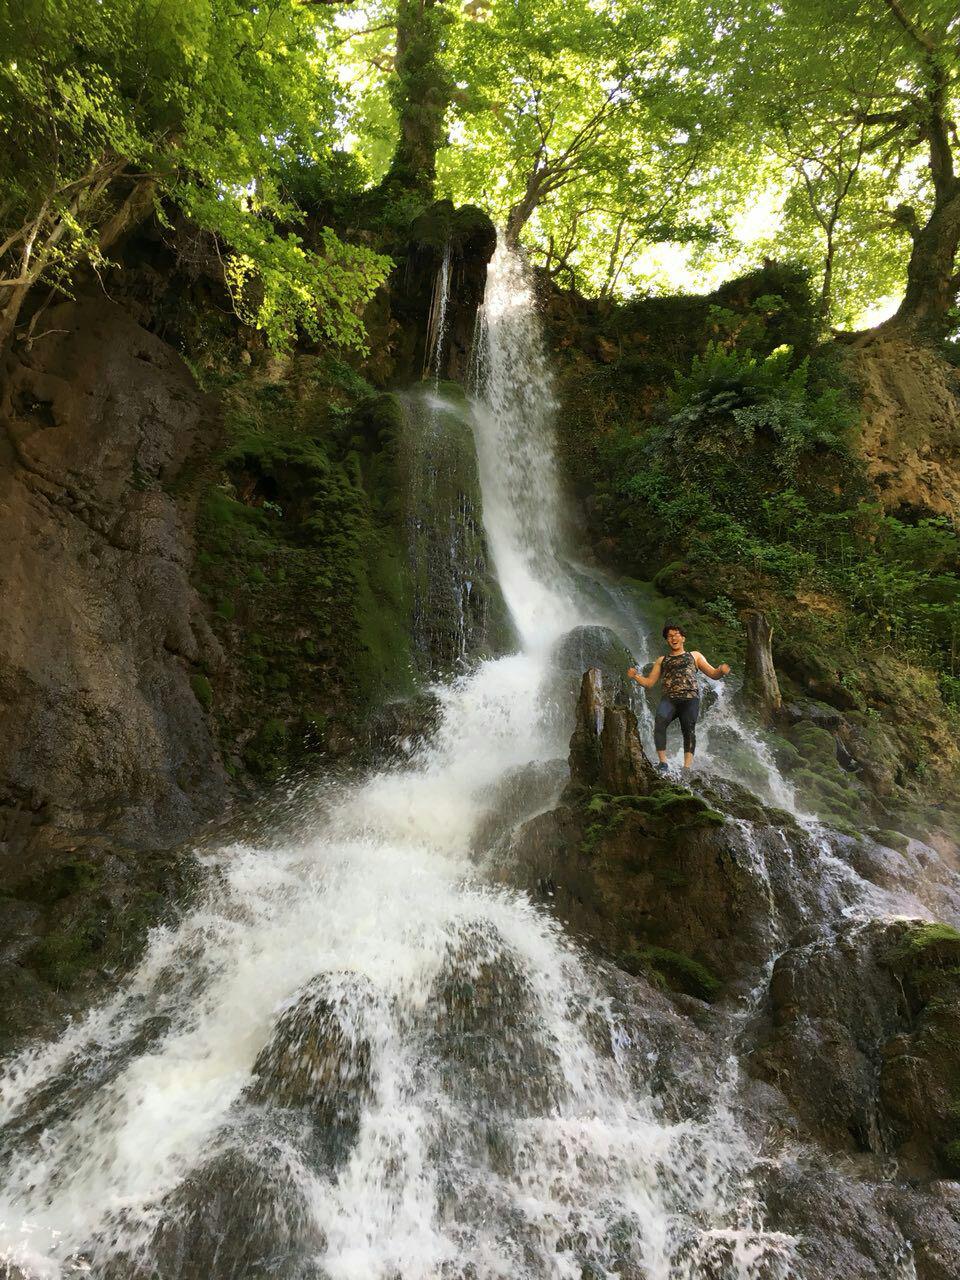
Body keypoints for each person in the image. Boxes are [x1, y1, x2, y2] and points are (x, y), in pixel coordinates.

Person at [627, 623, 730, 773]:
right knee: (659, 724)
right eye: (669, 636)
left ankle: (686, 768)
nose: (673, 638)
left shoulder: (695, 656)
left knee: (688, 730)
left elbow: (713, 674)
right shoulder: (662, 660)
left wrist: (721, 670)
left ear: (683, 638)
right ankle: (663, 763)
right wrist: (635, 676)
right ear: (667, 640)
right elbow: (649, 683)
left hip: (690, 699)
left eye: (676, 635)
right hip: (669, 699)